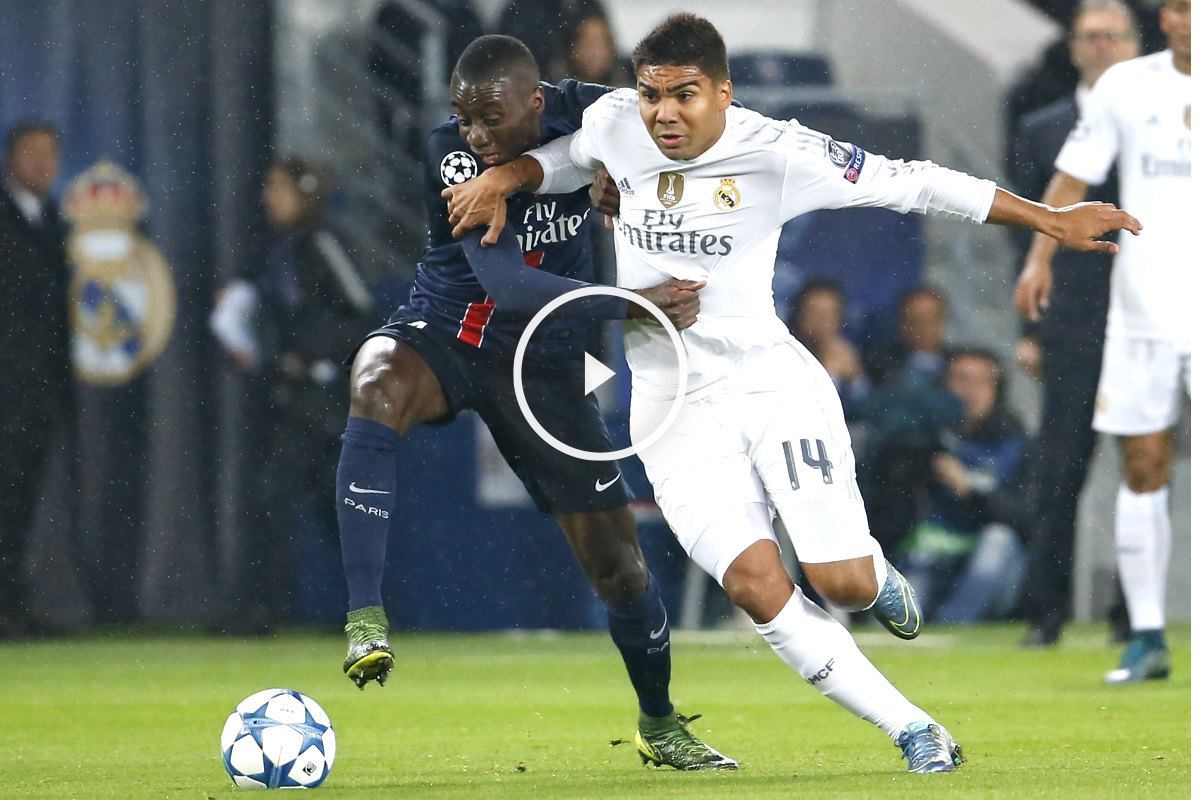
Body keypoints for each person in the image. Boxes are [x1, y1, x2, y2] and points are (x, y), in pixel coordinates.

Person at [444, 12, 1140, 773]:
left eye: (685, 95)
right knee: (754, 584)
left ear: (723, 93)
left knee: (837, 579)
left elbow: (916, 182)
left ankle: (871, 570)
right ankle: (913, 728)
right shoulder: (617, 122)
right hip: (670, 407)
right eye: (652, 96)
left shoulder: (779, 150)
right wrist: (502, 178)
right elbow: (567, 154)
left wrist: (1048, 218)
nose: (665, 114)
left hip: (769, 382)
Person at [336, 35, 736, 771]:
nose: (476, 136)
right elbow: (509, 288)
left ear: (536, 101)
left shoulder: (596, 115)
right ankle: (365, 616)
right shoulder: (451, 156)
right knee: (374, 374)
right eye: (465, 119)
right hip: (453, 332)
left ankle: (661, 723)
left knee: (619, 567)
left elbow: (675, 146)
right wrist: (633, 303)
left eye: (491, 119)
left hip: (547, 366)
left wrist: (630, 183)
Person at [1015, 0, 1190, 684]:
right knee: (1142, 465)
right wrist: (1037, 259)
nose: (1186, 19)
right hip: (1141, 309)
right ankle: (1145, 636)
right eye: (1176, 7)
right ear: (1163, 19)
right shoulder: (1127, 85)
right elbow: (1071, 179)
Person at [1007, 0, 1140, 648]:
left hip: (1150, 313)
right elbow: (1022, 227)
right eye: (1091, 36)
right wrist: (1030, 327)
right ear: (1072, 47)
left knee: (1146, 466)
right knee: (1062, 467)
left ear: (1134, 45)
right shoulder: (1042, 129)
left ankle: (1132, 611)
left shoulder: (1173, 120)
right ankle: (1045, 608)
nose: (1103, 45)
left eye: (1115, 35)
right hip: (1073, 318)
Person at [212, 157, 375, 632]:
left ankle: (264, 610)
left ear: (305, 194)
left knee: (277, 495)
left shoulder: (321, 243)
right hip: (289, 393)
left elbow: (362, 317)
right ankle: (360, 611)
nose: (268, 197)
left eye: (278, 187)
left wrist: (310, 354)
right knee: (321, 505)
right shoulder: (275, 248)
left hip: (322, 398)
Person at [0, 120, 72, 639]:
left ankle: (12, 606)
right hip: (8, 389)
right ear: (10, 159)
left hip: (36, 394)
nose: (42, 164)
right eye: (31, 153)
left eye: (50, 154)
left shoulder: (52, 222)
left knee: (20, 501)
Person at [895, 348, 1029, 624]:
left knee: (999, 540)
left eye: (983, 382)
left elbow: (1027, 518)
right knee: (901, 616)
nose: (972, 391)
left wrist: (970, 491)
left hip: (995, 573)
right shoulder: (922, 438)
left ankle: (953, 625)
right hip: (930, 559)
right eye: (962, 380)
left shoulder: (1017, 444)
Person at [785, 278, 868, 401]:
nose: (823, 322)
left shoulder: (848, 353)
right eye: (815, 314)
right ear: (799, 317)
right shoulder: (784, 354)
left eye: (830, 314)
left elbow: (867, 407)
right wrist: (829, 375)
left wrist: (855, 378)